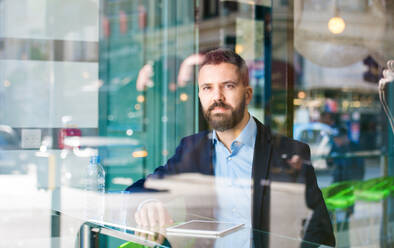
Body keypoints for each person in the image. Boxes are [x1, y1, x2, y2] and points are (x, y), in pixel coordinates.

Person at [126, 48, 335, 247]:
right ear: (200, 96)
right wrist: (148, 204)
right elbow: (139, 189)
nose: (217, 97)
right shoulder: (192, 148)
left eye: (228, 86)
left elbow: (319, 232)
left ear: (247, 94)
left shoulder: (289, 152)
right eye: (207, 88)